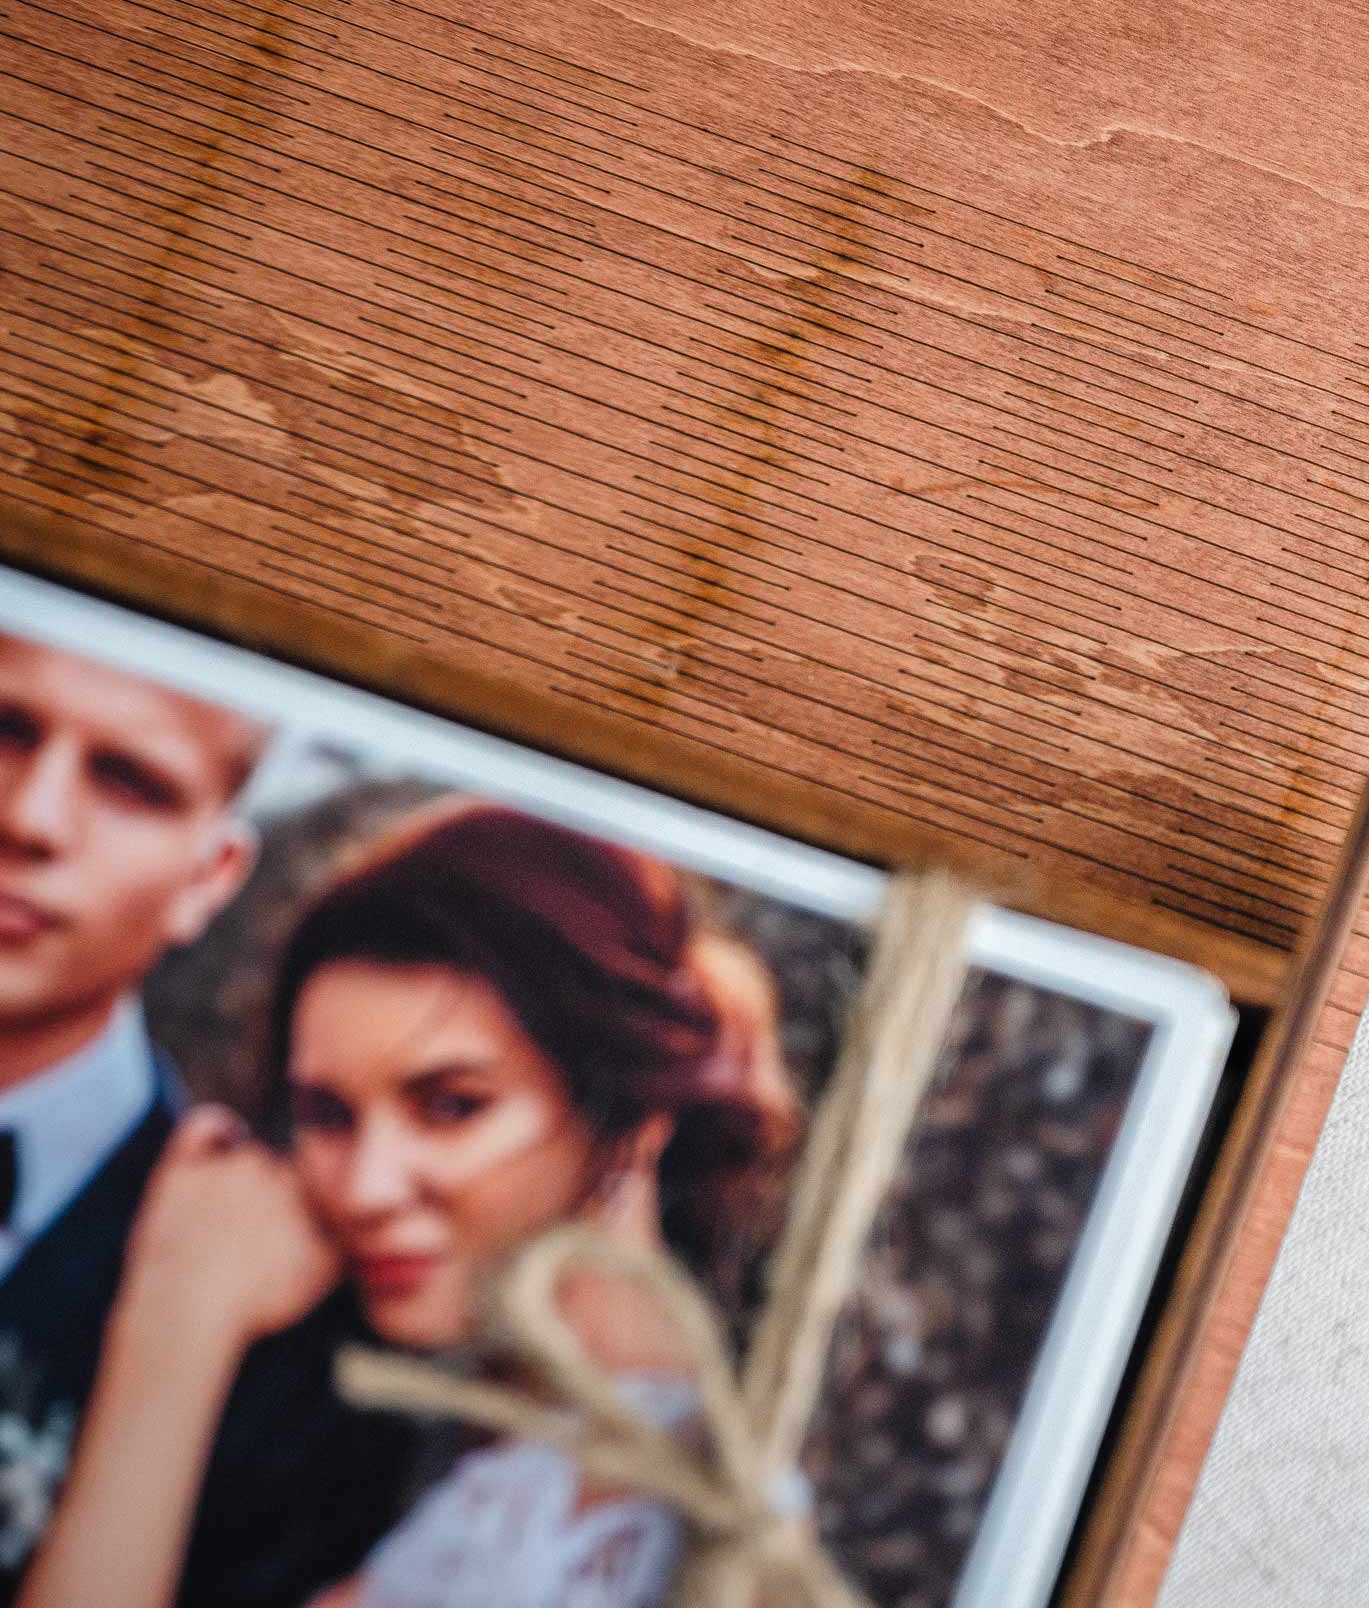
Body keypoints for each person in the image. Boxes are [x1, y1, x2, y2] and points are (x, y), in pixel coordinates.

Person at [22, 801, 800, 1608]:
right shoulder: (488, 1446)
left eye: (452, 1105)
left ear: (632, 1115)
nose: (364, 1188)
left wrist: (174, 1330)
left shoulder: (593, 1526)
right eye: (328, 1115)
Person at [0, 632, 409, 1607]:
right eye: (6, 729)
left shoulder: (273, 1328)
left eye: (130, 780)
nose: (31, 816)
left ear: (208, 877)